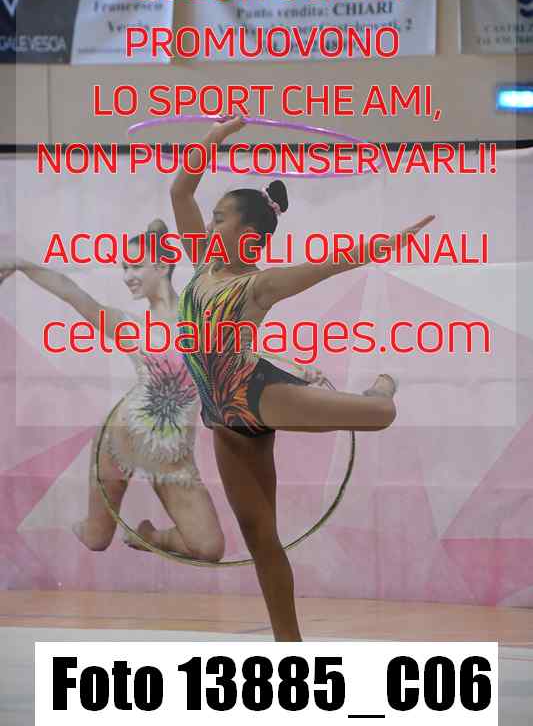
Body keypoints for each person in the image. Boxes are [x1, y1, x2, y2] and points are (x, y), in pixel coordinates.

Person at [170, 115, 435, 640]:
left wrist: (384, 245)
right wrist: (216, 137)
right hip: (223, 420)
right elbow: (181, 189)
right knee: (261, 539)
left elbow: (328, 266)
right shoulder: (201, 263)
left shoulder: (258, 285)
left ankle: (381, 385)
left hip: (255, 393)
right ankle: (289, 648)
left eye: (219, 219)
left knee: (379, 414)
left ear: (247, 234)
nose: (209, 226)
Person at [0, 220, 225, 561]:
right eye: (124, 268)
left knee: (209, 549)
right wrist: (22, 264)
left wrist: (300, 374)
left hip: (171, 453)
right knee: (96, 539)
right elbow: (72, 294)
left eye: (135, 266)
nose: (127, 276)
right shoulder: (130, 327)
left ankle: (149, 535)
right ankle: (86, 525)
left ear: (161, 266)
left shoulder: (201, 322)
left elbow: (245, 354)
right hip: (122, 439)